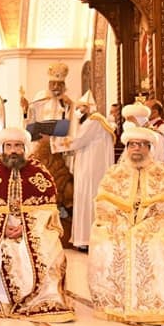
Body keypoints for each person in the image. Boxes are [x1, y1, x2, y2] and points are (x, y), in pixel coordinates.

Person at [0, 127, 74, 321]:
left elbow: (48, 213)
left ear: (24, 147)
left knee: (49, 249)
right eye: (8, 146)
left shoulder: (40, 173)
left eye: (17, 146)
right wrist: (1, 228)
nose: (13, 151)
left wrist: (26, 228)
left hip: (32, 228)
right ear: (3, 148)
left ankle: (42, 300)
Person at [89, 126, 164, 326]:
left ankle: (162, 306)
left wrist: (147, 221)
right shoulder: (114, 173)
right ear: (127, 148)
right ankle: (115, 304)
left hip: (159, 223)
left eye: (141, 145)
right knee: (106, 241)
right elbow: (103, 206)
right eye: (132, 145)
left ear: (150, 148)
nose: (137, 149)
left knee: (158, 244)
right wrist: (121, 220)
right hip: (120, 223)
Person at [54, 91, 115, 250]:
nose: (78, 111)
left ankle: (86, 239)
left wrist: (54, 143)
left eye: (80, 108)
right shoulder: (99, 121)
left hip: (90, 168)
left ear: (88, 107)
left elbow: (77, 140)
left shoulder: (93, 121)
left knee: (87, 198)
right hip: (93, 167)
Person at [21, 62, 75, 217]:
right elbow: (30, 123)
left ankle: (60, 208)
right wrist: (25, 110)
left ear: (64, 86)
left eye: (59, 84)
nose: (56, 87)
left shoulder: (68, 104)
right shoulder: (40, 99)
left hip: (58, 151)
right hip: (41, 147)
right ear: (48, 84)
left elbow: (72, 128)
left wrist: (53, 139)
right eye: (53, 84)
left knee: (61, 181)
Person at [145, 99, 164, 165]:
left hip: (159, 165)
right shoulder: (146, 125)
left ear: (155, 112)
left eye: (145, 109)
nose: (143, 112)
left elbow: (160, 150)